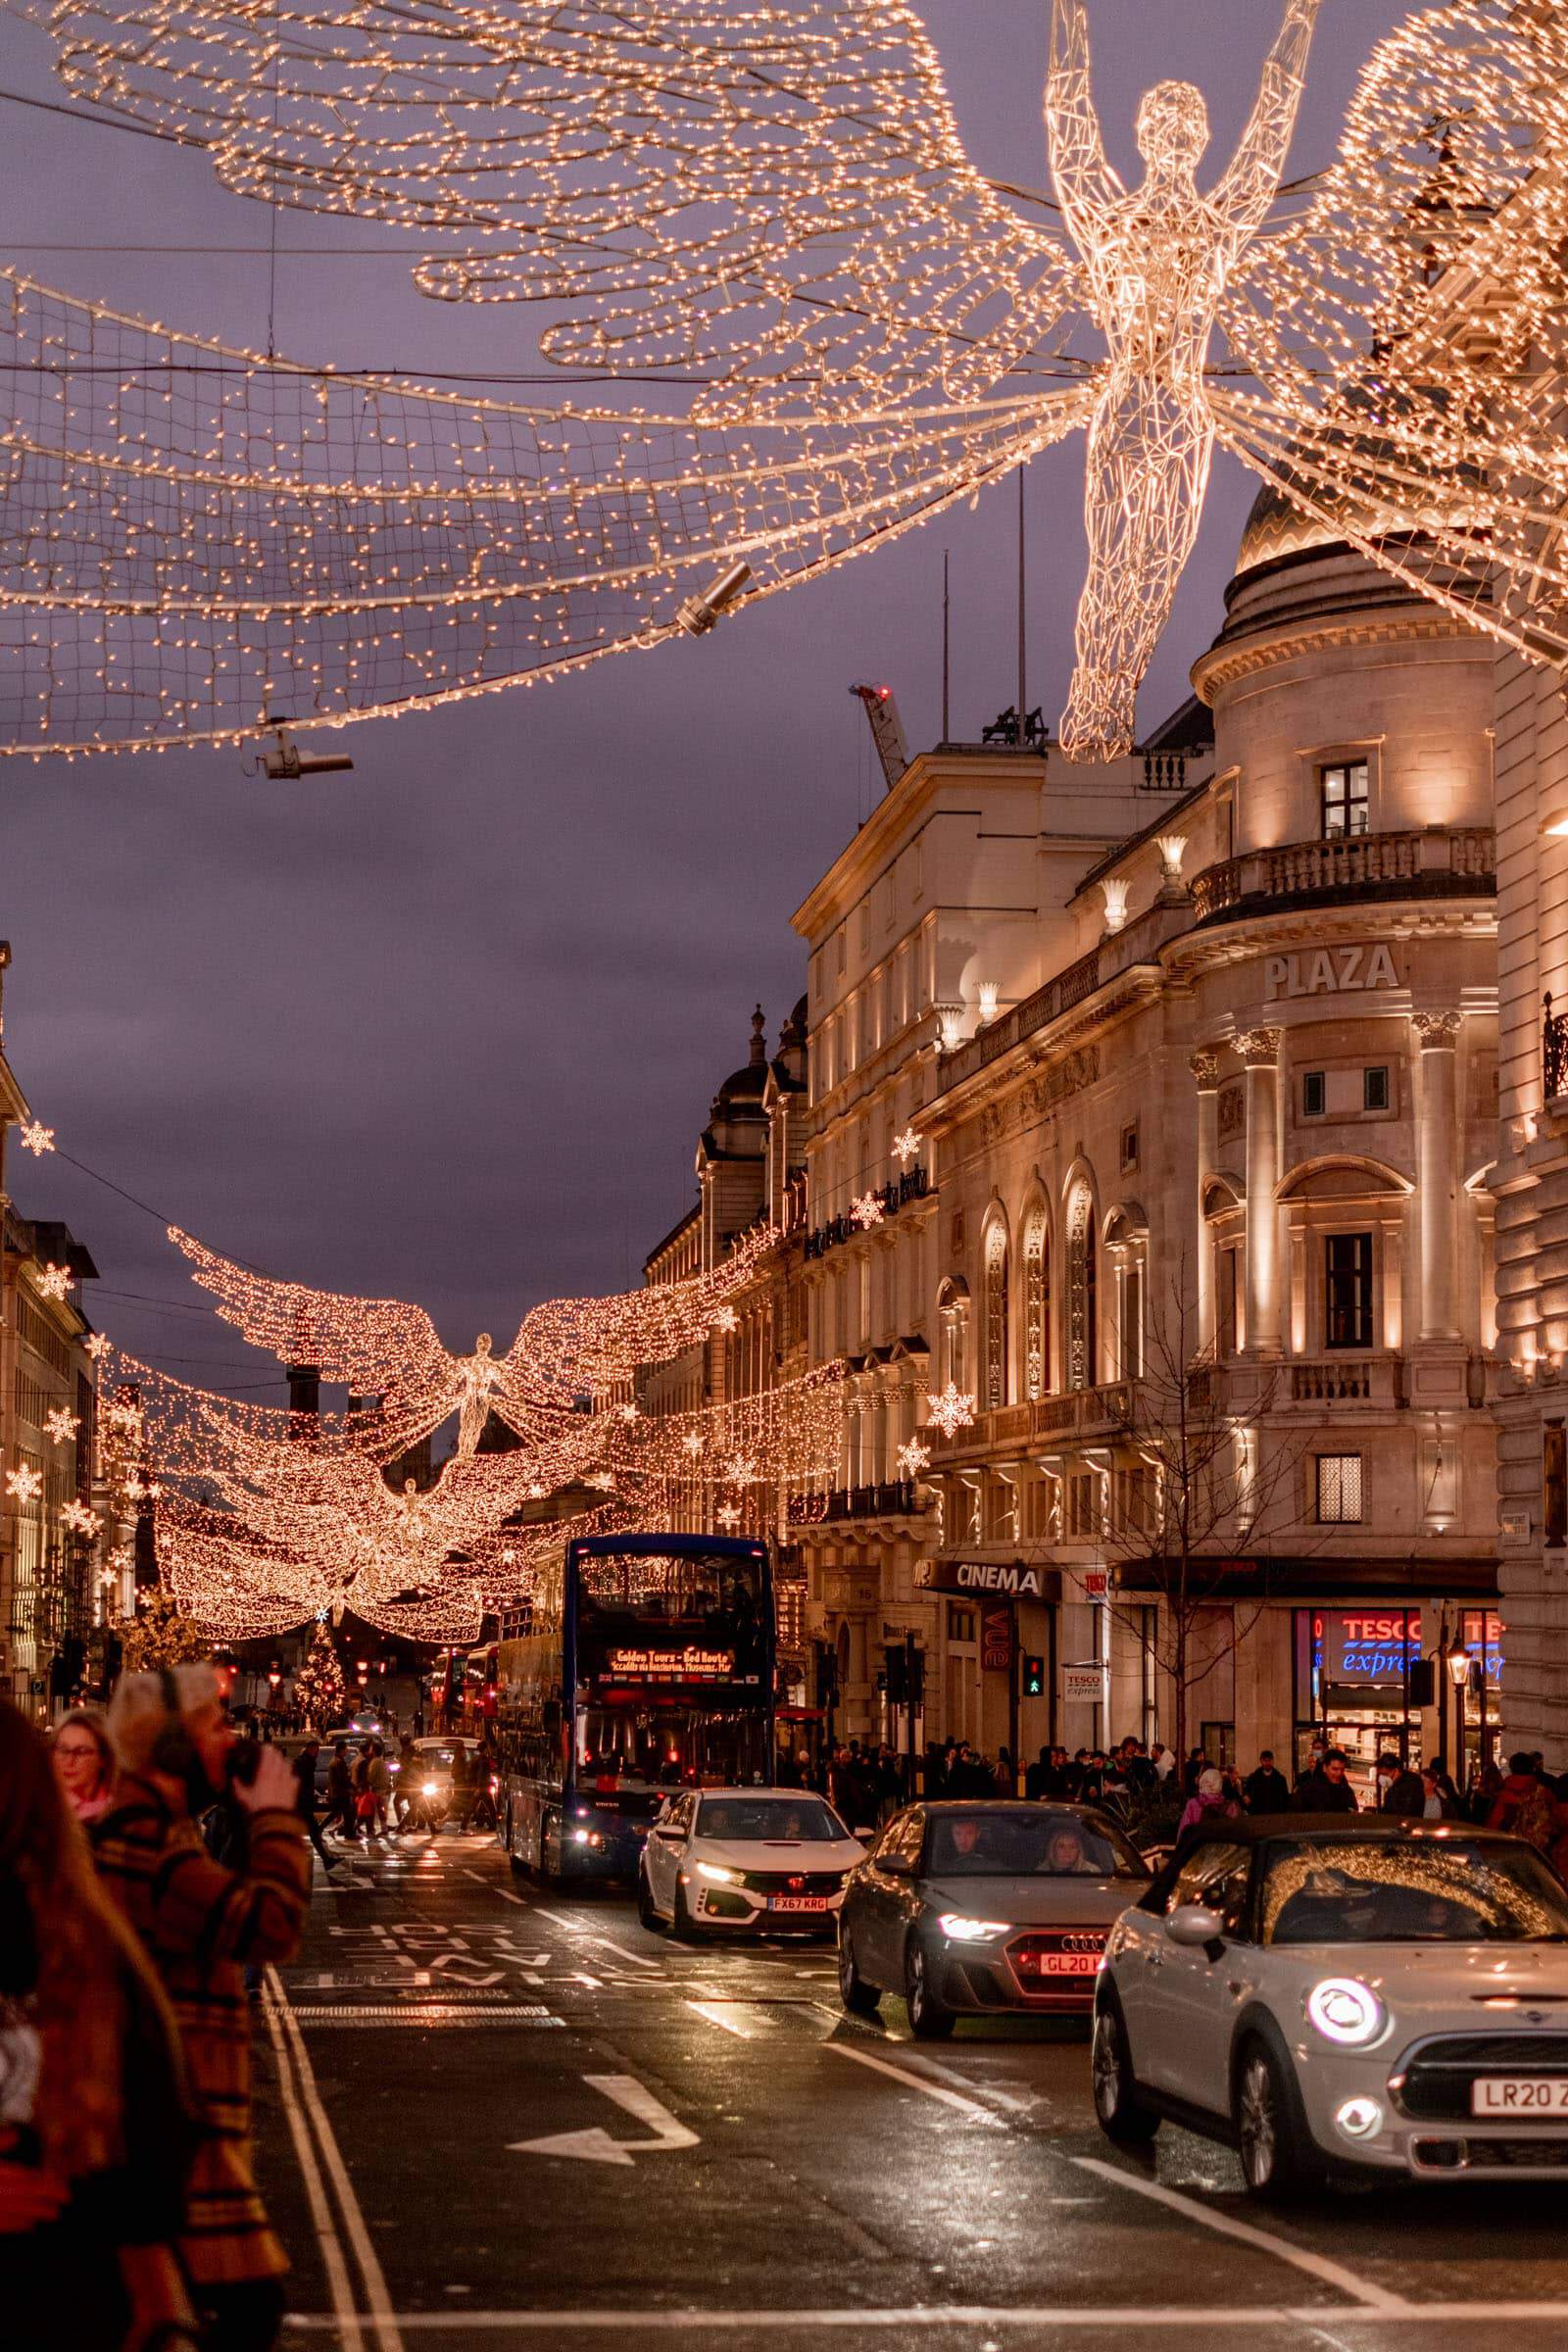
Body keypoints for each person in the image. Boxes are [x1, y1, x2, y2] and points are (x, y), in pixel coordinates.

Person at [96, 1663, 310, 2352]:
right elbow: (270, 1926)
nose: (230, 1739)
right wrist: (276, 1817)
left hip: (186, 2133)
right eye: (214, 1726)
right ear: (170, 1747)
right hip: (177, 2141)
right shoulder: (150, 1846)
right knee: (244, 2313)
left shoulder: (161, 1829)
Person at [0, 1698, 200, 2352]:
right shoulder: (98, 1953)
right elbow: (157, 2169)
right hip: (81, 2297)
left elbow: (150, 2156)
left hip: (71, 2295)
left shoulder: (88, 1955)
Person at [49, 1709, 117, 1827]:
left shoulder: (117, 1812)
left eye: (81, 1751)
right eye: (63, 1750)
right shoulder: (40, 1808)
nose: (69, 1761)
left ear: (103, 1759)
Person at [1488, 1749, 1560, 1850]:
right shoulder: (1544, 1792)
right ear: (1532, 1768)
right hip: (1539, 1850)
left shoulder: (1503, 1794)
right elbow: (1556, 1819)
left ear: (1511, 1768)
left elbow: (1494, 1824)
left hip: (1509, 1847)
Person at [292, 1738, 338, 1877]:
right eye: (316, 1749)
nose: (317, 1752)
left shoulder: (305, 1761)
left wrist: (312, 1792)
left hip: (302, 1802)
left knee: (312, 1833)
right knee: (311, 1832)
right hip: (302, 1803)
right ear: (310, 1749)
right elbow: (301, 1782)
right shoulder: (305, 1762)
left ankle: (326, 1859)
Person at [1177, 1766, 1240, 1838]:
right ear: (1219, 1784)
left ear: (1202, 1782)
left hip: (1197, 1846)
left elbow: (1183, 1831)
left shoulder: (1192, 1803)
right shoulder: (1230, 1807)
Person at [1294, 1748, 1359, 1813]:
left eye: (1342, 1770)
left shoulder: (1346, 1791)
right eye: (1334, 1769)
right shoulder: (1307, 1790)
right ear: (1324, 1768)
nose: (1339, 1773)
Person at [1243, 1750, 1291, 1815]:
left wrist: (1283, 1811)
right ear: (1261, 1761)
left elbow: (1285, 1797)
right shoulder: (1254, 1777)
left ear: (1272, 1761)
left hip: (1275, 1813)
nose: (1267, 1763)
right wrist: (1246, 1796)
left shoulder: (1280, 1779)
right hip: (1258, 1812)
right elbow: (1246, 1790)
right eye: (1265, 1760)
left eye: (1269, 1760)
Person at [324, 1739, 354, 1841]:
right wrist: (351, 1788)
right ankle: (349, 1834)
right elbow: (343, 1779)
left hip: (337, 1792)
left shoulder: (335, 1760)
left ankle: (346, 1832)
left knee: (339, 1813)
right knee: (348, 1813)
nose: (347, 1751)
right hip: (341, 1792)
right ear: (341, 1750)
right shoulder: (339, 1762)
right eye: (346, 1749)